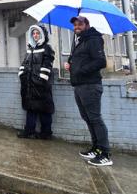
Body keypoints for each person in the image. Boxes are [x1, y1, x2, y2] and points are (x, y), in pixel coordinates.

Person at [64, 16, 112, 166]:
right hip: (79, 85)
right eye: (75, 24)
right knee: (88, 118)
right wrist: (70, 64)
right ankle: (96, 148)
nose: (76, 26)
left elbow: (101, 61)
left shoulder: (93, 39)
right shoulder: (81, 40)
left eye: (80, 24)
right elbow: (80, 60)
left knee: (95, 119)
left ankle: (105, 154)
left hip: (90, 85)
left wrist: (80, 70)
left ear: (87, 25)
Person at [17, 24, 55, 139]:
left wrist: (41, 80)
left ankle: (46, 133)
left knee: (44, 110)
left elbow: (47, 65)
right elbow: (24, 64)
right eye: (33, 33)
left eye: (37, 33)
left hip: (41, 86)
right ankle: (29, 131)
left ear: (42, 34)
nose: (35, 35)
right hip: (29, 85)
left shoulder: (47, 48)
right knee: (30, 109)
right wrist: (22, 75)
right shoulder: (30, 49)